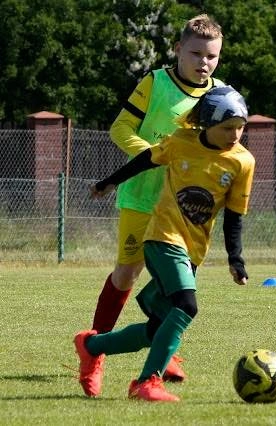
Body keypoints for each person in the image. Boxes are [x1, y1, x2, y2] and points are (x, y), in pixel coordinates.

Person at [75, 85, 255, 402]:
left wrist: (235, 259)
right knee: (187, 306)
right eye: (228, 127)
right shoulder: (181, 141)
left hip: (193, 251)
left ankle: (91, 346)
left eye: (240, 127)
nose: (235, 134)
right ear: (208, 124)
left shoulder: (243, 162)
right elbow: (145, 160)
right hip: (162, 237)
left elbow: (234, 216)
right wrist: (109, 182)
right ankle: (147, 382)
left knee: (155, 329)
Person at [91, 14, 224, 382]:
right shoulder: (155, 82)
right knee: (127, 274)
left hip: (184, 208)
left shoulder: (219, 95)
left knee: (177, 280)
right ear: (178, 49)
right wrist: (154, 154)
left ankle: (166, 347)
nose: (203, 62)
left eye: (211, 56)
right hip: (141, 196)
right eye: (195, 54)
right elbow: (120, 128)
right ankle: (94, 348)